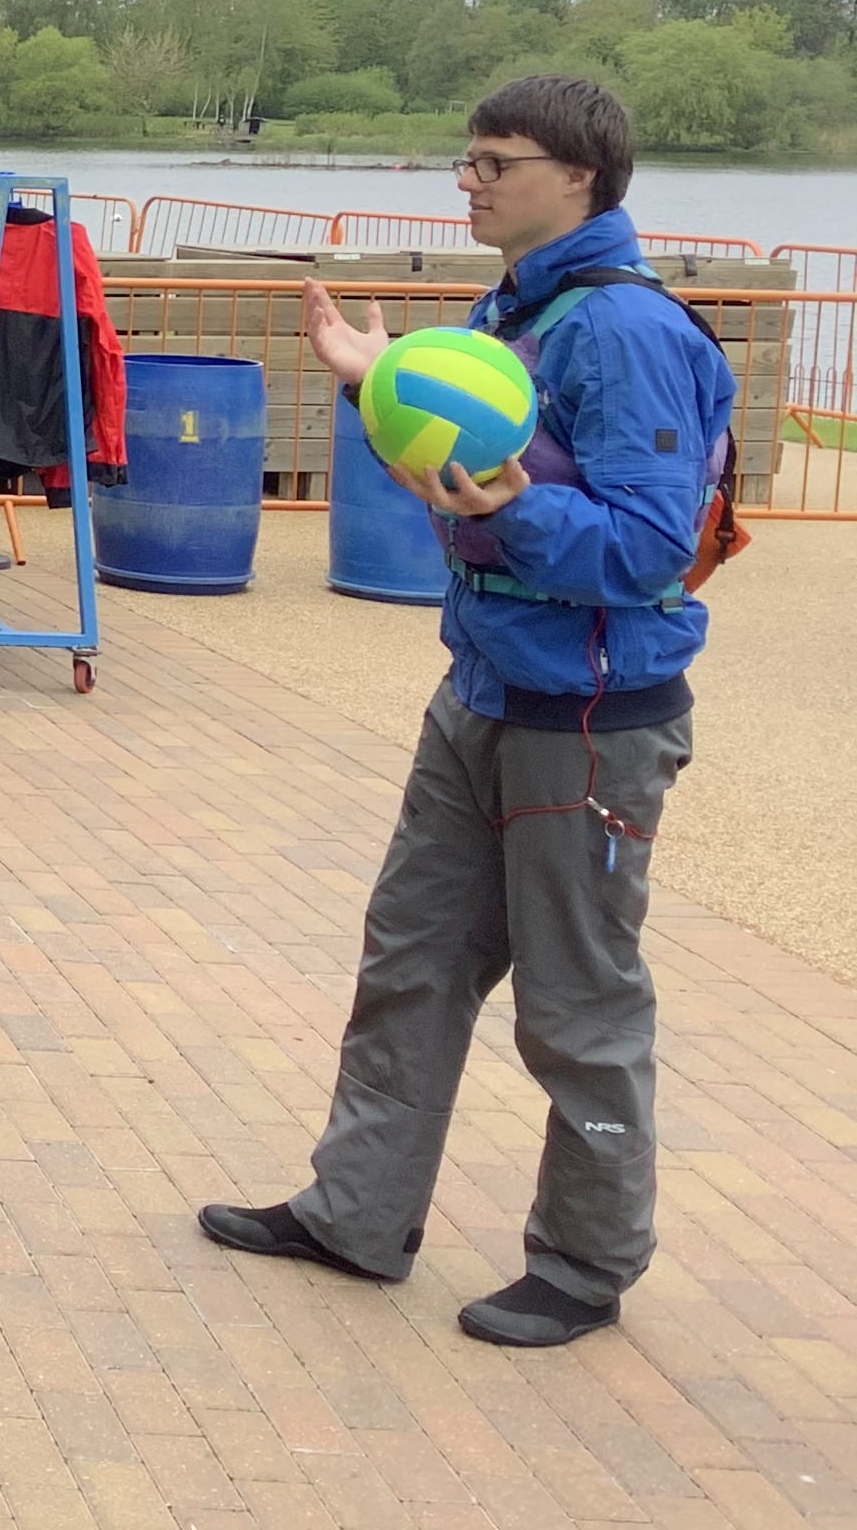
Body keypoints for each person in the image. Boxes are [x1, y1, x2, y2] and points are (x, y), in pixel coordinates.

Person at [200, 75, 737, 1349]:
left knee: (579, 1002)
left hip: (590, 717)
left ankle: (587, 1265)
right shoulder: (527, 306)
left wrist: (508, 512)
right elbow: (476, 446)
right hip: (488, 691)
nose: (472, 180)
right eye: (469, 159)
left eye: (498, 161)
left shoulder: (625, 331)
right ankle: (357, 1214)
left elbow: (649, 543)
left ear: (582, 177)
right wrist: (372, 380)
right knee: (414, 962)